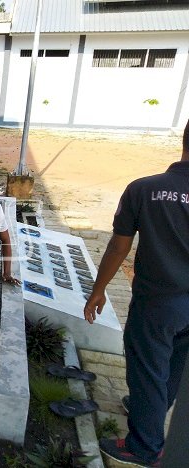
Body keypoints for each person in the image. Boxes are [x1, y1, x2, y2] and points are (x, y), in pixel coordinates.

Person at [84, 119, 189, 467]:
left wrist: (98, 290)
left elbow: (118, 247)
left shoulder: (144, 189)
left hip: (159, 302)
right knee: (174, 364)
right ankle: (152, 408)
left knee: (147, 367)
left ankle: (143, 447)